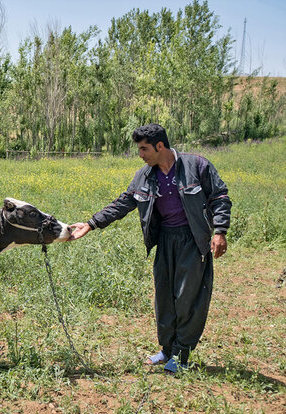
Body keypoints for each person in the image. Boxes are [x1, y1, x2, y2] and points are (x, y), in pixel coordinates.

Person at [69, 123, 231, 374]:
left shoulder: (196, 166)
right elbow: (122, 204)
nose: (140, 154)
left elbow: (219, 197)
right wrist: (90, 224)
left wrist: (219, 231)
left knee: (187, 298)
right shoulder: (144, 176)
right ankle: (167, 350)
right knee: (164, 298)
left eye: (144, 149)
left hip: (192, 241)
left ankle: (181, 356)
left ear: (159, 146)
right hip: (165, 241)